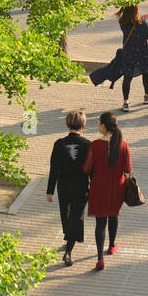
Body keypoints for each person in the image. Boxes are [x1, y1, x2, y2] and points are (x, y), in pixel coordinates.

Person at [81, 111, 131, 271]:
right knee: (114, 216)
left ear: (104, 125)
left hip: (99, 188)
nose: (97, 125)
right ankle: (111, 246)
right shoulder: (123, 145)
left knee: (100, 222)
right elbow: (128, 169)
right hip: (117, 188)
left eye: (98, 123)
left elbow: (87, 168)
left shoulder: (95, 145)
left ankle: (100, 259)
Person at [47, 111, 91, 266]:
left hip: (63, 185)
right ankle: (69, 250)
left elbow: (54, 168)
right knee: (76, 216)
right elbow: (92, 168)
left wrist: (50, 190)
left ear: (67, 125)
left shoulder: (59, 143)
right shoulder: (87, 144)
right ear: (83, 126)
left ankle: (68, 237)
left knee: (65, 214)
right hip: (80, 185)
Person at [116, 5, 148, 112]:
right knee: (145, 73)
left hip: (128, 54)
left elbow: (132, 24)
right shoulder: (141, 24)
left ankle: (125, 102)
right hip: (142, 53)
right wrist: (146, 23)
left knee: (127, 77)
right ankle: (147, 96)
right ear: (136, 11)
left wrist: (141, 19)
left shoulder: (122, 23)